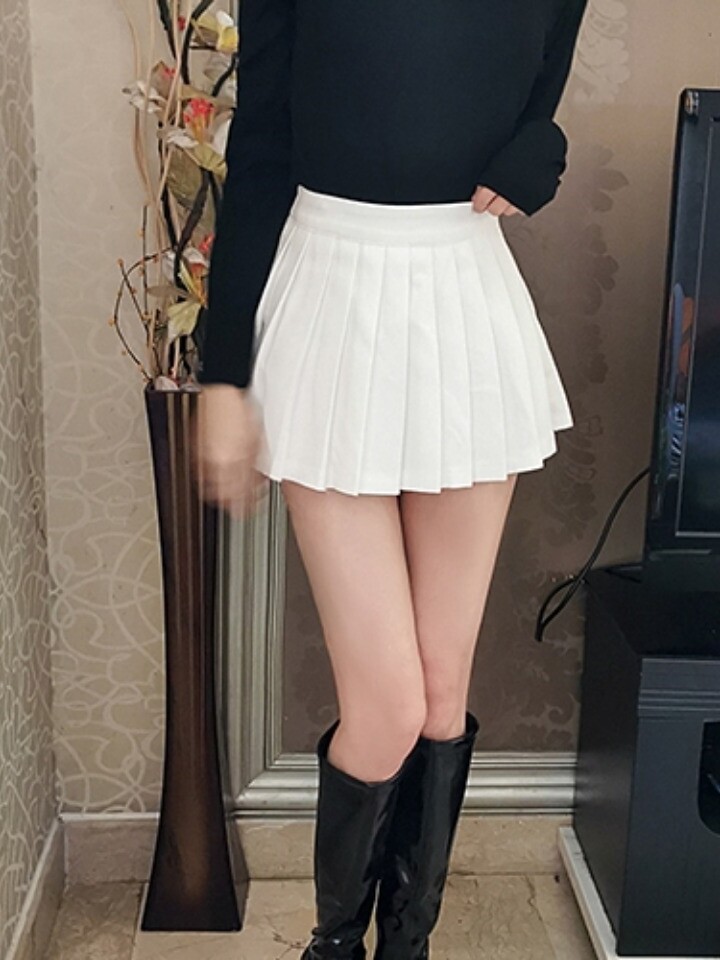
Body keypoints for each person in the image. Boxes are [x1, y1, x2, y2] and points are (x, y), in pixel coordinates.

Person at [192, 2, 587, 957]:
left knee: (442, 696)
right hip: (330, 292)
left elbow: (536, 96)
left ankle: (405, 947)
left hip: (463, 297)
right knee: (391, 707)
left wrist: (542, 145)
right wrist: (224, 375)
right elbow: (261, 148)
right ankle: (334, 945)